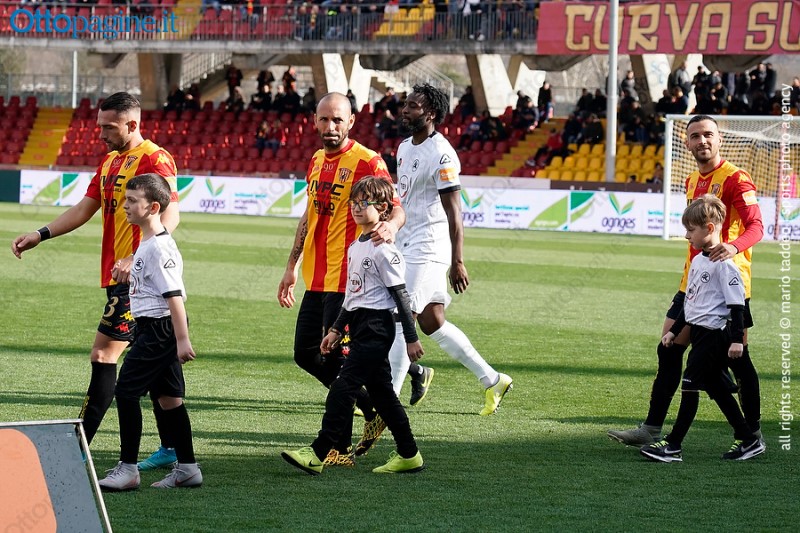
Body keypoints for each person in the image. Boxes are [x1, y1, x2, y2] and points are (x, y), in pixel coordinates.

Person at [11, 92, 181, 471]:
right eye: (99, 125)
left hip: (140, 279)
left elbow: (172, 215)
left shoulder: (155, 158)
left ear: (132, 125)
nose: (100, 133)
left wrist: (137, 256)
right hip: (116, 276)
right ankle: (175, 450)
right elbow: (86, 207)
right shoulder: (109, 162)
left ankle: (77, 448)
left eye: (109, 127)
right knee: (158, 363)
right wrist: (41, 234)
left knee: (104, 355)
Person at [608, 115, 764, 448]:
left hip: (728, 287)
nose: (702, 140)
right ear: (688, 143)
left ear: (719, 139)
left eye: (708, 134)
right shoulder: (691, 180)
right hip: (692, 283)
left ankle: (752, 432)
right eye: (695, 136)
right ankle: (651, 428)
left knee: (738, 359)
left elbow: (757, 227)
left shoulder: (737, 178)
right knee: (668, 347)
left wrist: (733, 247)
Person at [277, 92, 406, 465]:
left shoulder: (367, 161)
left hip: (348, 280)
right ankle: (373, 407)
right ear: (314, 121)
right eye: (324, 119)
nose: (330, 126)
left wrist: (392, 227)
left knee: (337, 359)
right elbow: (309, 216)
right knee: (306, 353)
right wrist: (291, 265)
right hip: (316, 276)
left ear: (351, 122)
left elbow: (396, 207)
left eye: (338, 120)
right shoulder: (316, 160)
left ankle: (338, 447)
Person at [281, 177, 425, 475]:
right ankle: (409, 454)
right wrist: (336, 329)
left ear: (383, 208)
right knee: (382, 395)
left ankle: (318, 453)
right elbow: (352, 296)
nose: (357, 208)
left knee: (343, 385)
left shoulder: (384, 250)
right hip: (359, 325)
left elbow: (401, 296)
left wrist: (411, 337)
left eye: (364, 203)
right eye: (354, 203)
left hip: (377, 327)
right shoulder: (355, 246)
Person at [387, 83, 513, 418]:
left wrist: (458, 261)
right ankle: (493, 380)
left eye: (413, 106)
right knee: (432, 321)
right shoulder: (403, 147)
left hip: (429, 248)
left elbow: (455, 212)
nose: (405, 110)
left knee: (401, 318)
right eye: (406, 104)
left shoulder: (442, 154)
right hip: (406, 243)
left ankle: (387, 404)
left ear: (430, 113)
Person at [640, 195, 765, 462]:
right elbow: (691, 302)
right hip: (698, 331)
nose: (687, 236)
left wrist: (736, 340)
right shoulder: (698, 261)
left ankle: (673, 445)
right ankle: (748, 439)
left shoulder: (726, 267)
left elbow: (737, 307)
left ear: (709, 228)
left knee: (689, 384)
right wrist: (674, 330)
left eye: (690, 230)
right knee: (715, 386)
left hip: (714, 335)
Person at [97, 174, 202, 490]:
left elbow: (175, 297)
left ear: (154, 207)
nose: (125, 206)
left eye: (132, 201)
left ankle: (128, 468)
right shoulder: (146, 243)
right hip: (152, 328)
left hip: (159, 330)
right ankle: (188, 468)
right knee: (169, 399)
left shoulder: (159, 247)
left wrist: (181, 340)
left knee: (126, 392)